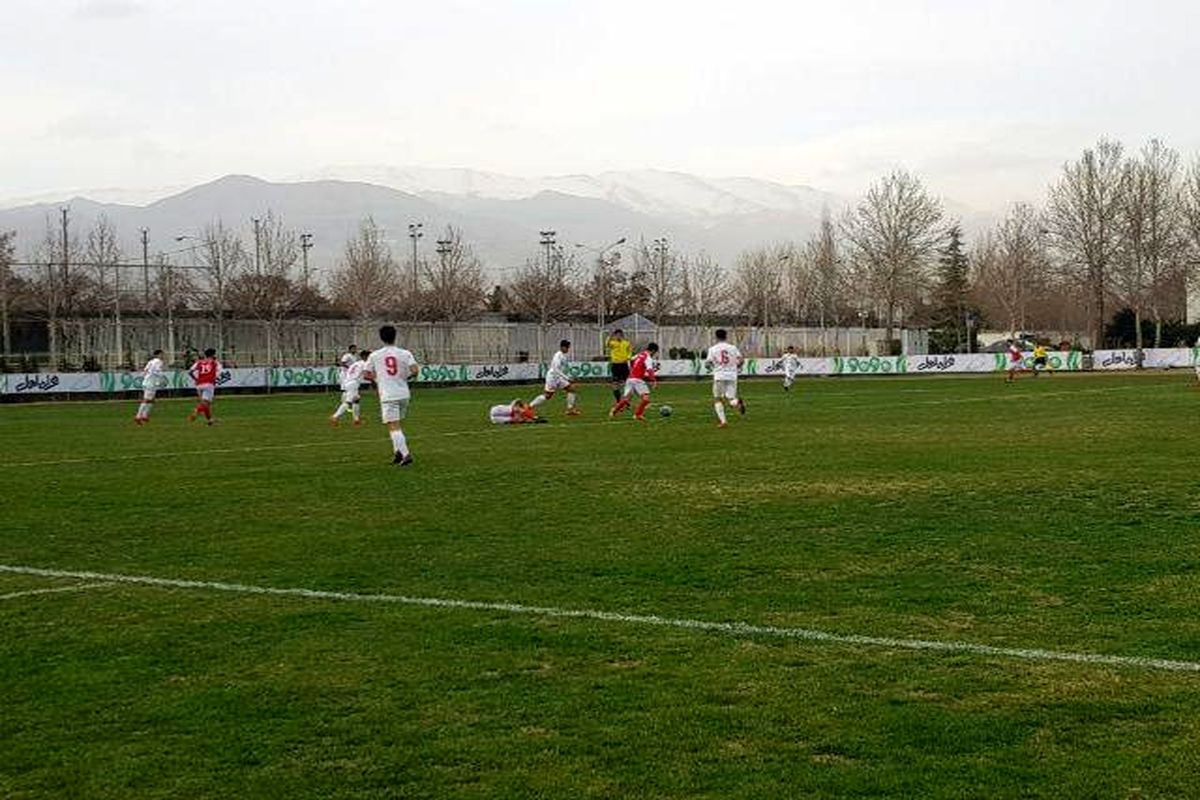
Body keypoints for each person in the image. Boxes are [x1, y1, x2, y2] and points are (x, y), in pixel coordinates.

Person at [363, 325, 419, 466]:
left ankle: (406, 455)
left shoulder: (375, 355)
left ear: (381, 338)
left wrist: (378, 379)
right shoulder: (405, 353)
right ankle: (398, 453)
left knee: (394, 426)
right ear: (395, 336)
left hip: (388, 394)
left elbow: (366, 374)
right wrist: (404, 377)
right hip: (404, 393)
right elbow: (415, 370)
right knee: (395, 424)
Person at [705, 329, 745, 427]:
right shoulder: (733, 348)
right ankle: (737, 402)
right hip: (732, 375)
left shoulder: (713, 349)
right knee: (730, 398)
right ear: (726, 336)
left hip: (719, 375)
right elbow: (741, 360)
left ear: (716, 337)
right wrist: (737, 366)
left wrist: (710, 366)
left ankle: (723, 422)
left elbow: (708, 363)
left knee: (717, 399)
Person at [609, 342, 659, 420]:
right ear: (653, 351)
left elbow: (630, 359)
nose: (654, 354)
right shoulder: (648, 358)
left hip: (630, 379)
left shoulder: (640, 354)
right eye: (655, 352)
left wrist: (633, 369)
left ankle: (613, 411)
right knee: (646, 399)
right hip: (637, 379)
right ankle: (638, 415)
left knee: (626, 399)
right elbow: (649, 370)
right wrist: (653, 381)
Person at [531, 339, 580, 416]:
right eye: (567, 347)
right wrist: (567, 378)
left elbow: (561, 369)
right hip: (552, 377)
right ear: (562, 347)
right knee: (548, 396)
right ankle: (530, 406)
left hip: (559, 377)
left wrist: (566, 377)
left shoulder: (563, 355)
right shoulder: (558, 356)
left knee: (571, 389)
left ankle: (570, 410)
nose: (568, 349)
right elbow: (555, 369)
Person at [330, 349, 370, 426]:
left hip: (348, 382)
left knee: (356, 400)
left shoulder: (356, 363)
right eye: (369, 356)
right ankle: (335, 416)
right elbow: (366, 375)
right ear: (365, 356)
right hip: (353, 383)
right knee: (348, 402)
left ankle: (356, 420)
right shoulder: (365, 363)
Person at [187, 348, 222, 424]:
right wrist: (214, 378)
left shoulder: (199, 362)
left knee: (205, 404)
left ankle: (210, 420)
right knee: (206, 403)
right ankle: (196, 411)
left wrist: (196, 379)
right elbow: (218, 374)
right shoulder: (215, 363)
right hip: (209, 383)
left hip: (199, 384)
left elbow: (190, 372)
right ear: (213, 355)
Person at [134, 349, 165, 425]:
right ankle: (138, 416)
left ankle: (145, 415)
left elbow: (145, 370)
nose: (163, 356)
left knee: (151, 399)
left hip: (148, 382)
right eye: (162, 354)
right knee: (147, 399)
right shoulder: (158, 362)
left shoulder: (150, 361)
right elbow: (157, 371)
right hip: (151, 382)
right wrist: (161, 378)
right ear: (158, 355)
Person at [606, 328, 633, 402]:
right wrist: (610, 336)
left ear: (622, 335)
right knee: (615, 384)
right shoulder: (612, 343)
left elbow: (630, 351)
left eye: (620, 335)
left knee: (627, 383)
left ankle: (626, 401)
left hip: (624, 365)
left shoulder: (626, 343)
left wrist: (628, 357)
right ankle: (618, 400)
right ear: (615, 335)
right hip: (615, 365)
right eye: (617, 335)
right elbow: (607, 344)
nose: (618, 336)